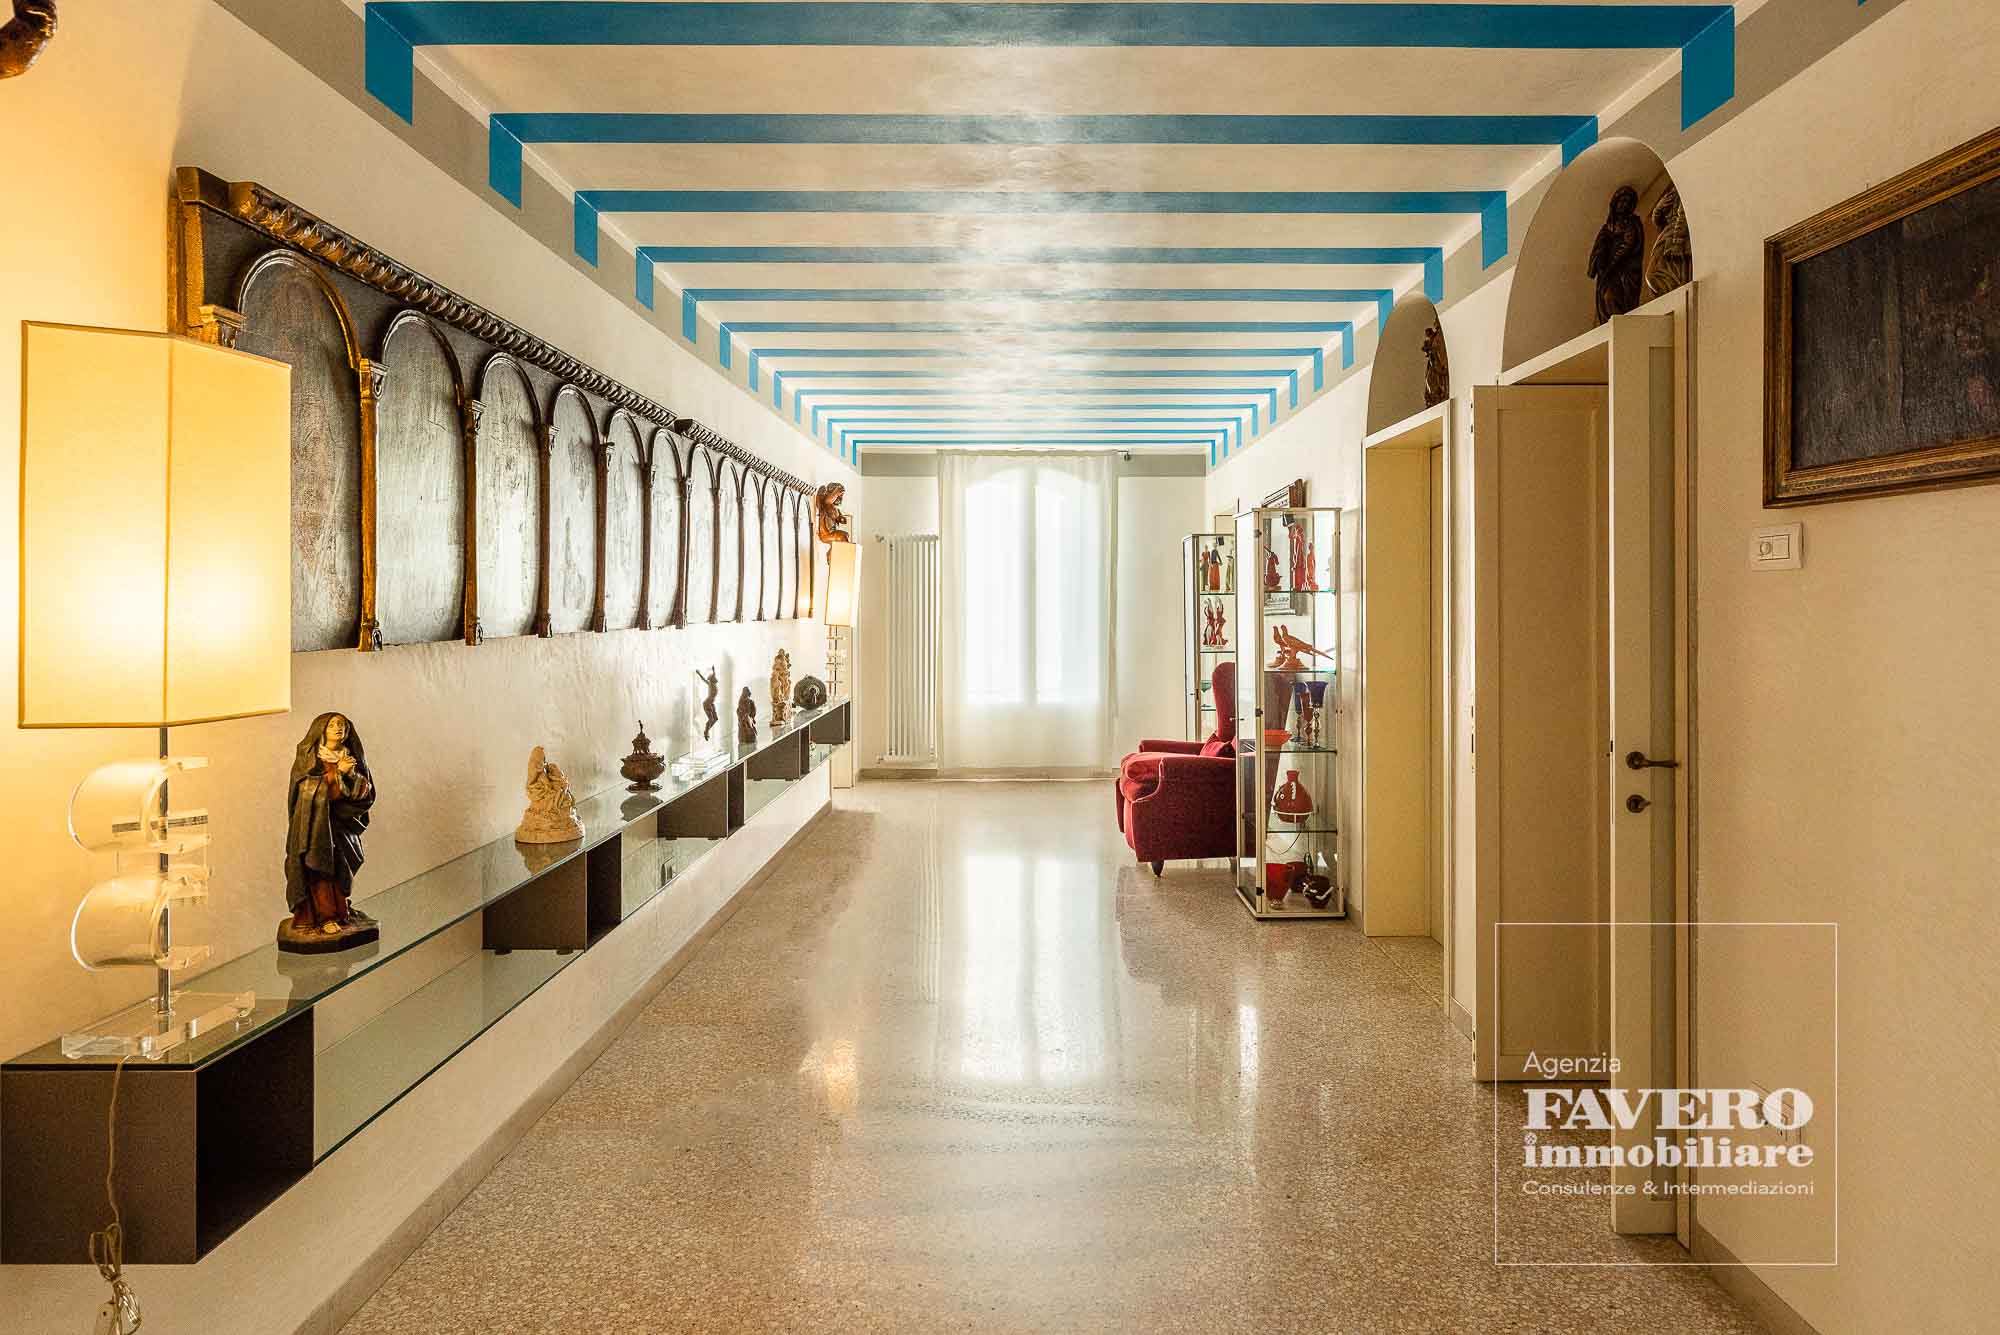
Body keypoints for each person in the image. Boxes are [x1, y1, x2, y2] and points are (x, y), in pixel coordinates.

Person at [282, 712, 376, 942]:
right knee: (320, 868)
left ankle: (340, 911)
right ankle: (325, 918)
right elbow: (305, 792)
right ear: (321, 729)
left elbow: (365, 791)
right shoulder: (309, 758)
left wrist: (351, 775)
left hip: (342, 826)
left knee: (342, 868)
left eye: (342, 725)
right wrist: (337, 774)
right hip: (315, 827)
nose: (337, 728)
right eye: (332, 724)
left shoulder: (349, 757)